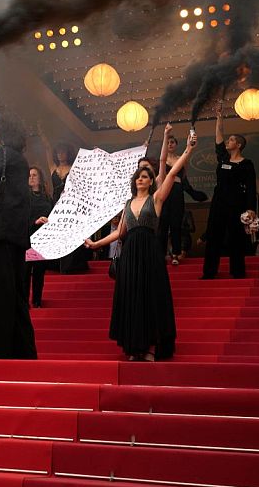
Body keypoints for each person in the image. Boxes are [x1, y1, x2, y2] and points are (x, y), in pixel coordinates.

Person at [85, 127, 197, 361]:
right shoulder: (127, 203)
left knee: (149, 299)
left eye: (145, 176)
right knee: (132, 299)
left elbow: (170, 166)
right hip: (130, 256)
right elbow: (120, 233)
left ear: (150, 181)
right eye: (138, 176)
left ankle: (151, 347)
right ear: (134, 181)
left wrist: (186, 150)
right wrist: (96, 244)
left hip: (150, 254)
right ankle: (134, 347)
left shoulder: (156, 199)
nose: (141, 179)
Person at [0, 114, 37, 360]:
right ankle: (22, 350)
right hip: (15, 235)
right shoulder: (19, 159)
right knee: (16, 295)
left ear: (0, 133)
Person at [202, 101, 257, 279]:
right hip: (219, 201)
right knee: (214, 235)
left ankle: (238, 271)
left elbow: (251, 187)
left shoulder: (247, 164)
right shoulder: (223, 159)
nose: (228, 141)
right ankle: (209, 272)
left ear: (239, 145)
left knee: (236, 236)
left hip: (237, 202)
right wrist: (219, 116)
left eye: (232, 139)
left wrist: (250, 208)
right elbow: (218, 137)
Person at [44, 138, 88, 274]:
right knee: (58, 233)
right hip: (56, 203)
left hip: (70, 204)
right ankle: (57, 264)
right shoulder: (53, 168)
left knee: (70, 232)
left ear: (68, 153)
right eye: (58, 152)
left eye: (63, 152)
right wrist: (44, 138)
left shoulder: (75, 168)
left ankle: (73, 264)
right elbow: (47, 151)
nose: (60, 155)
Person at [158, 131, 190, 265]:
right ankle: (161, 254)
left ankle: (176, 254)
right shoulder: (162, 159)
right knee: (163, 224)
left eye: (173, 142)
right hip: (165, 191)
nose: (170, 144)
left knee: (176, 223)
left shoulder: (180, 159)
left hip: (177, 191)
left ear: (176, 145)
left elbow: (184, 177)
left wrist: (189, 145)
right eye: (168, 142)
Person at [26, 166, 53, 307]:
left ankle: (37, 300)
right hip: (27, 238)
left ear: (40, 178)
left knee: (39, 272)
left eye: (34, 175)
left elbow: (54, 216)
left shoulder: (47, 197)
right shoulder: (24, 197)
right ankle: (23, 301)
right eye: (29, 175)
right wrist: (35, 221)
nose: (31, 177)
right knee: (25, 272)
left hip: (42, 239)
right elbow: (19, 217)